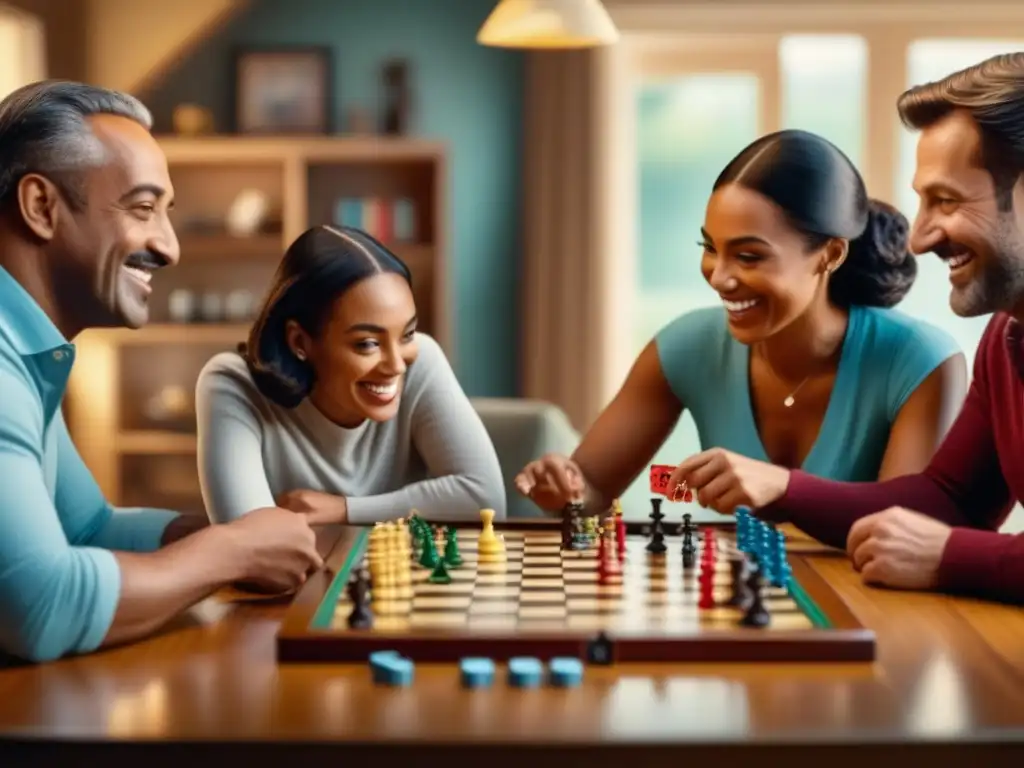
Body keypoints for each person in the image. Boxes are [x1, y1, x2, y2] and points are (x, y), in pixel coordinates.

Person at [667, 53, 1024, 605]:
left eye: (946, 201)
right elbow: (950, 499)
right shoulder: (1004, 338)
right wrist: (785, 488)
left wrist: (949, 556)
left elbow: (947, 533)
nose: (919, 237)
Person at [0, 81, 325, 664]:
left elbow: (87, 527)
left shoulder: (25, 354)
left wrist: (232, 531)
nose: (170, 248)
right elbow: (42, 607)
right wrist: (235, 550)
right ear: (41, 208)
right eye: (142, 209)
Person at [515, 129, 966, 520]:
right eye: (711, 248)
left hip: (871, 611)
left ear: (830, 254)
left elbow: (904, 529)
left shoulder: (921, 363)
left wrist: (782, 488)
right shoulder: (685, 346)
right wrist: (567, 488)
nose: (720, 276)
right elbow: (592, 490)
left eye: (749, 256)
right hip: (740, 605)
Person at [194, 225, 505, 526]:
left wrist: (344, 510)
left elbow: (486, 499)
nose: (397, 365)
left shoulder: (421, 360)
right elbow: (249, 544)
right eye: (368, 344)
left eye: (407, 334)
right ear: (300, 342)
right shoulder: (233, 384)